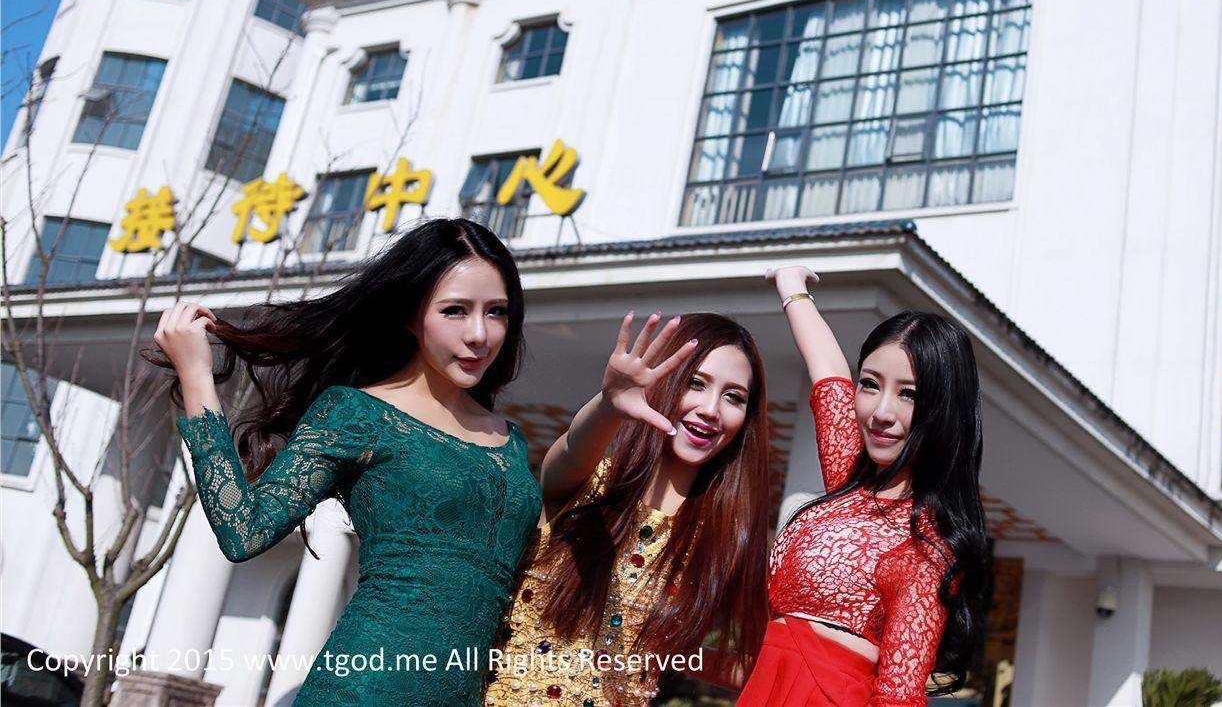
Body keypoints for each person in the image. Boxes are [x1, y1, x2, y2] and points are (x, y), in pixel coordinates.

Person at [149, 218, 541, 706]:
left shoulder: (510, 441)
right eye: (455, 311)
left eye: (497, 312)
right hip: (363, 690)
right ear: (409, 315)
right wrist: (196, 375)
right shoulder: (355, 413)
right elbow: (242, 529)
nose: (480, 334)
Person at [484, 312, 770, 707]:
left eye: (733, 397)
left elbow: (763, 662)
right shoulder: (588, 481)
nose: (710, 408)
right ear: (661, 383)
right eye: (695, 383)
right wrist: (608, 404)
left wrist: (667, 655)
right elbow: (567, 453)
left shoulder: (723, 535)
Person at [738, 266, 988, 707]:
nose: (881, 412)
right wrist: (792, 287)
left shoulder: (927, 545)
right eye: (870, 385)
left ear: (944, 409)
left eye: (908, 394)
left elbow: (897, 695)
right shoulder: (848, 480)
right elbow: (828, 373)